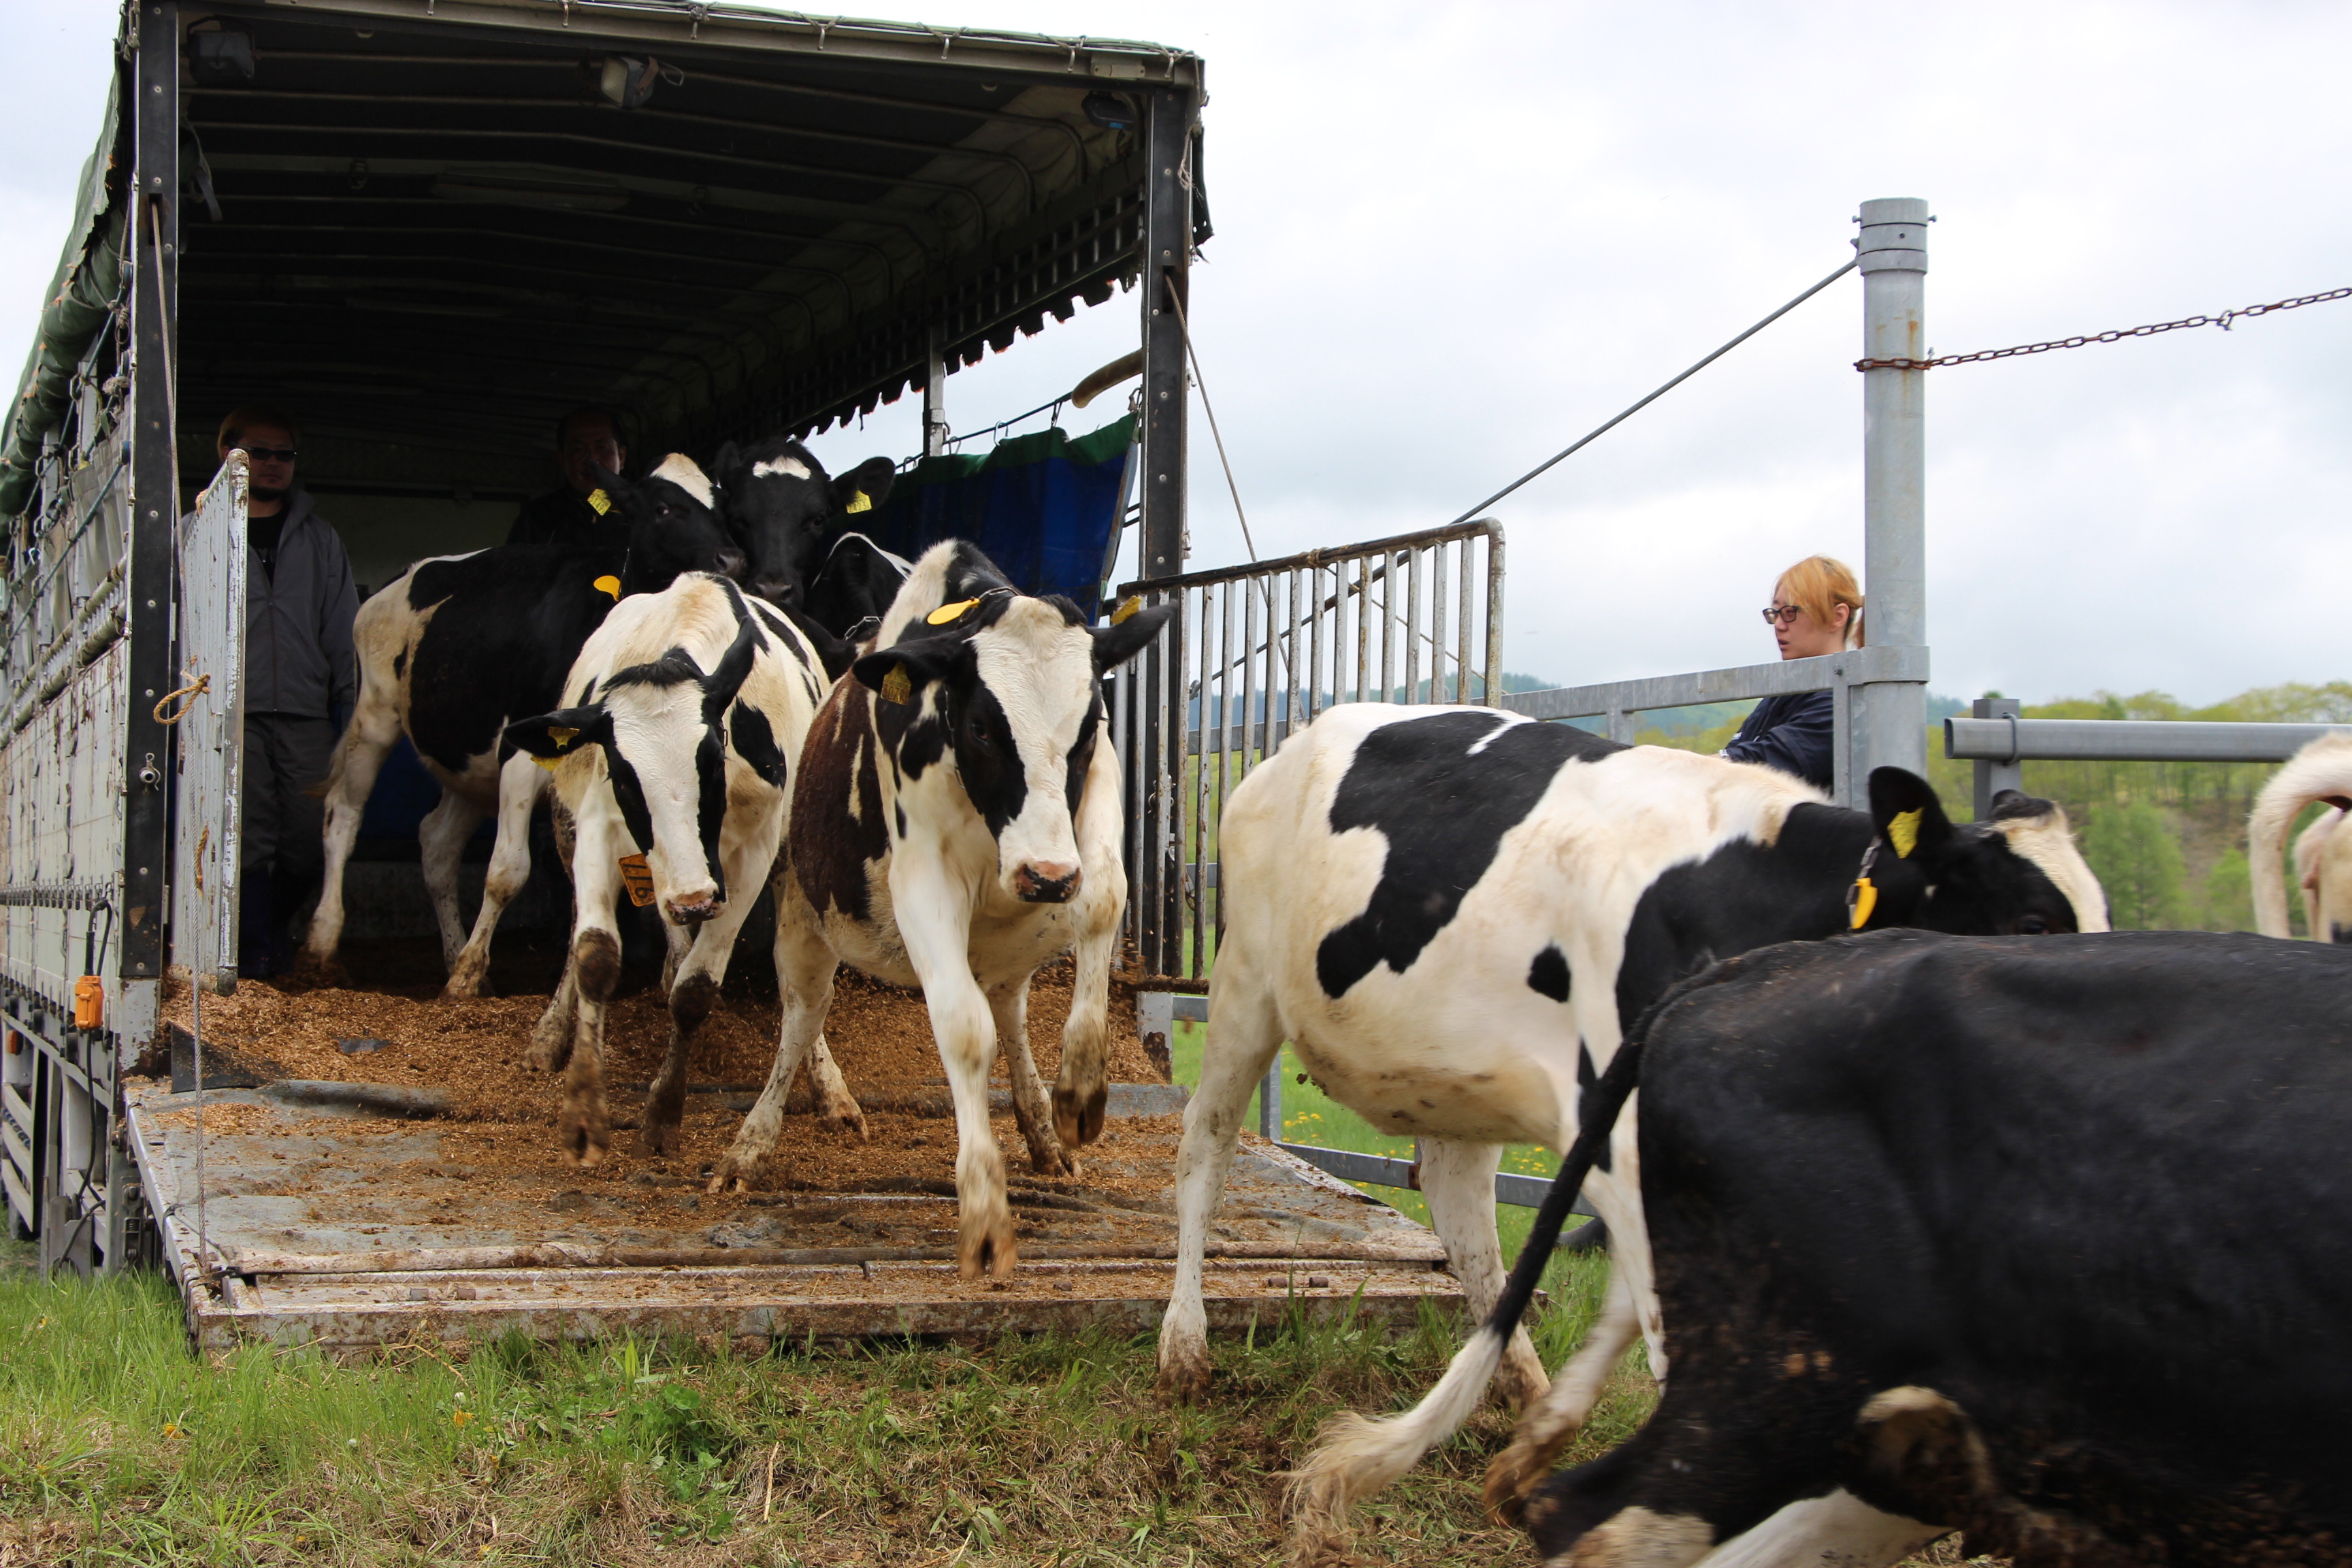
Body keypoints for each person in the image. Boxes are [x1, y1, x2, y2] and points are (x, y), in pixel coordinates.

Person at [214, 406, 359, 977]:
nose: (272, 464)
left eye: (284, 454)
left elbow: (343, 625)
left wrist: (352, 707)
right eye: (258, 453)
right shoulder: (197, 532)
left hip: (305, 712)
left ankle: (272, 927)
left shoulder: (320, 540)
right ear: (226, 454)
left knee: (307, 839)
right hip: (232, 712)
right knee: (247, 838)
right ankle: (254, 956)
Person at [1720, 554, 1862, 794]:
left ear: (1838, 617)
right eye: (1775, 613)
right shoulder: (1783, 694)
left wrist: (1675, 769)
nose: (1779, 624)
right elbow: (1738, 757)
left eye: (1790, 612)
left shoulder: (1843, 703)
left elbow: (1761, 767)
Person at [506, 406, 631, 546]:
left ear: (621, 457)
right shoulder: (536, 518)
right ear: (562, 460)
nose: (592, 460)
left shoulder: (645, 513)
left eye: (601, 447)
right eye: (578, 450)